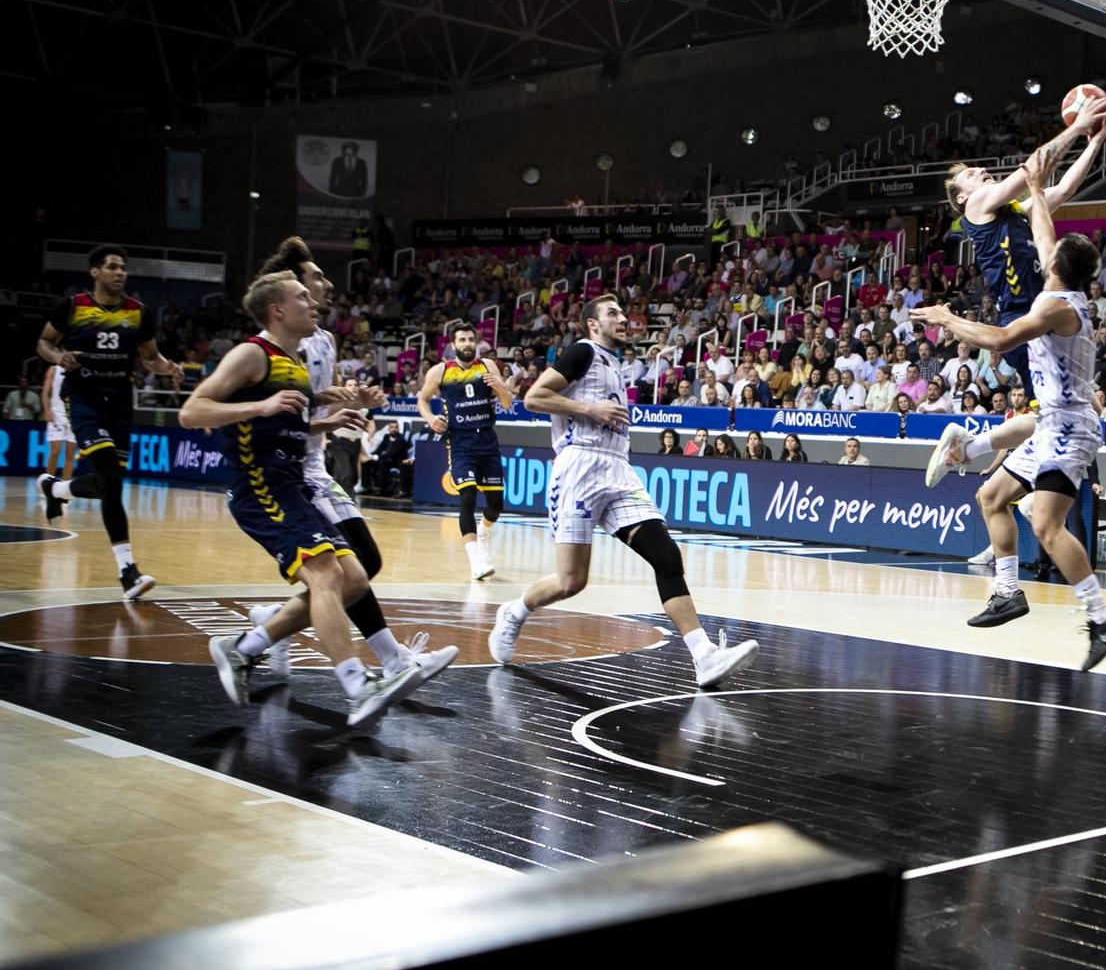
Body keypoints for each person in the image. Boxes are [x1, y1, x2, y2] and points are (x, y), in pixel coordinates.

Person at [182, 273, 455, 727]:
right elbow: (191, 411)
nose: (315, 303)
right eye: (303, 296)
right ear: (277, 310)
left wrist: (327, 421)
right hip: (261, 486)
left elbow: (289, 421)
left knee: (353, 578)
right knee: (326, 573)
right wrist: (257, 407)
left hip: (294, 485)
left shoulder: (294, 360)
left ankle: (243, 649)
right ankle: (358, 685)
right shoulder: (252, 353)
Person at [912, 163, 1106, 670]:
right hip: (1056, 421)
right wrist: (1035, 188)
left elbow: (1001, 339)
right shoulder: (1058, 286)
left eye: (1048, 250)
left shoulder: (1054, 306)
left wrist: (947, 319)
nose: (1042, 245)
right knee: (990, 496)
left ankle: (1101, 617)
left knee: (1049, 527)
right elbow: (1044, 227)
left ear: (1052, 263)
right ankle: (1007, 592)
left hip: (1071, 429)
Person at [489, 296, 758, 688]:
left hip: (617, 468)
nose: (622, 318)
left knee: (666, 554)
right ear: (592, 325)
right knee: (571, 581)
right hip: (579, 466)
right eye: (611, 313)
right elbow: (534, 398)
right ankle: (513, 612)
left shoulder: (616, 362)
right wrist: (589, 409)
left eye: (621, 312)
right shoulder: (583, 352)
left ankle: (704, 656)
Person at [228, 238, 404, 678]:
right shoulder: (275, 345)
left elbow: (306, 400)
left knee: (357, 570)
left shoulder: (321, 339)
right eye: (312, 281)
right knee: (346, 570)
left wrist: (347, 400)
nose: (322, 286)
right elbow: (270, 403)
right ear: (284, 301)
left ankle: (270, 628)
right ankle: (386, 662)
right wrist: (271, 410)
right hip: (288, 469)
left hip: (311, 461)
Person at [924, 95, 1106, 487]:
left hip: (1043, 315)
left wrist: (1095, 142)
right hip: (1022, 319)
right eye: (973, 174)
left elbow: (1058, 188)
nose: (982, 172)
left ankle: (969, 450)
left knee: (1060, 413)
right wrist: (1078, 127)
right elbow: (1032, 170)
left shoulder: (1012, 212)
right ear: (962, 197)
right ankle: (984, 460)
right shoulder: (975, 208)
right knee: (1065, 411)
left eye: (980, 171)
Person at [36, 244, 184, 599]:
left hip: (119, 405)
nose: (120, 273)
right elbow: (43, 342)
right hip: (84, 400)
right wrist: (58, 355)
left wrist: (168, 367)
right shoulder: (74, 306)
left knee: (108, 484)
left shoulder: (138, 312)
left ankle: (55, 489)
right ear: (95, 272)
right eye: (113, 267)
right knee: (112, 481)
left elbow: (149, 357)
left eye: (123, 268)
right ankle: (127, 572)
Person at [418, 324, 515, 581]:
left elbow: (507, 403)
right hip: (460, 442)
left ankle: (484, 532)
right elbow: (422, 398)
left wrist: (500, 387)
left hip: (488, 441)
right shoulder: (441, 371)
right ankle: (476, 562)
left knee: (496, 505)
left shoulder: (488, 366)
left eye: (471, 339)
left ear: (477, 342)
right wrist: (429, 417)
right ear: (453, 345)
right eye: (462, 339)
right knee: (468, 495)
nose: (467, 343)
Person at [41, 364, 77, 484]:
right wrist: (47, 410)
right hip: (56, 414)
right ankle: (48, 486)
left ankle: (65, 488)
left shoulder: (79, 368)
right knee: (55, 450)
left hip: (73, 415)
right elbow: (45, 392)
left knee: (70, 453)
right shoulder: (54, 369)